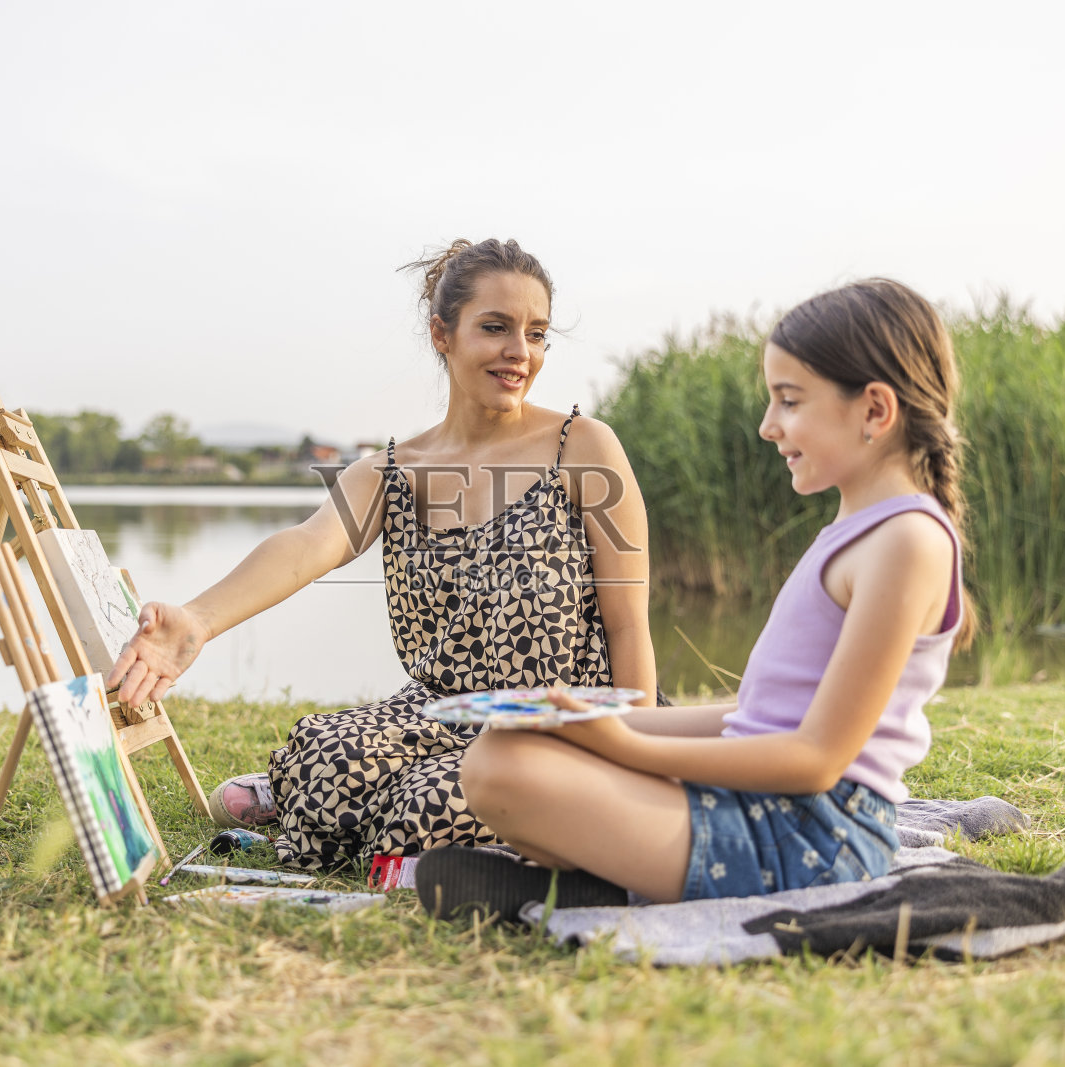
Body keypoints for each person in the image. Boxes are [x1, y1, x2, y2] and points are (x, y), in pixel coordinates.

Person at [415, 278, 978, 920]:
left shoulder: (907, 542)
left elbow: (816, 759)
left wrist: (626, 748)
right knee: (509, 746)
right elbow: (759, 717)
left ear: (875, 411)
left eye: (790, 402)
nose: (769, 427)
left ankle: (595, 888)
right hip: (768, 810)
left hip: (819, 837)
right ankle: (601, 885)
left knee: (503, 771)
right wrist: (588, 722)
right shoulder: (861, 533)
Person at [107, 238, 658, 869]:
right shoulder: (391, 472)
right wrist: (197, 621)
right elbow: (306, 546)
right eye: (496, 328)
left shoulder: (583, 448)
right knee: (322, 754)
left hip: (563, 719)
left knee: (422, 812)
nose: (519, 353)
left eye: (537, 334)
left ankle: (407, 815)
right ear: (441, 335)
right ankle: (353, 797)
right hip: (436, 716)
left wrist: (637, 757)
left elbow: (628, 624)